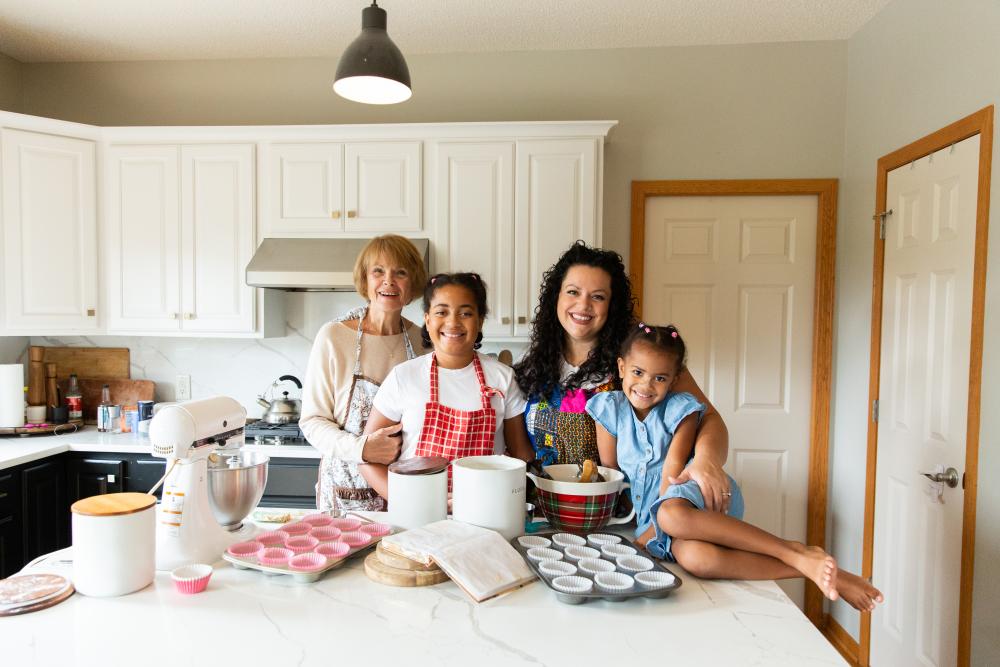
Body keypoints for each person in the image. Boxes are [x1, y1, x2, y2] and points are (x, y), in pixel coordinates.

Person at [586, 324, 884, 611]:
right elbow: (613, 474)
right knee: (697, 559)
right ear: (622, 367)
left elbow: (672, 472)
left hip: (694, 493)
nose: (646, 385)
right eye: (638, 372)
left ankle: (791, 549)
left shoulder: (682, 409)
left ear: (675, 380)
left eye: (660, 378)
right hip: (667, 523)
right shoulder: (608, 410)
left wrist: (645, 537)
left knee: (670, 515)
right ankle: (810, 568)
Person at [514, 241, 733, 512]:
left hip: (626, 515)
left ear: (612, 305)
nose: (583, 305)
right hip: (547, 512)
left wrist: (706, 460)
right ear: (555, 297)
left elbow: (710, 419)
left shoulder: (642, 363)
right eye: (573, 292)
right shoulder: (533, 368)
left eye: (598, 296)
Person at [360, 272, 534, 498]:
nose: (453, 322)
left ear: (480, 320)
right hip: (417, 513)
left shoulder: (503, 378)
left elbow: (520, 457)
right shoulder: (403, 378)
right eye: (442, 312)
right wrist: (406, 501)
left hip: (485, 510)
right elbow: (367, 460)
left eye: (466, 313)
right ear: (428, 319)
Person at [299, 234, 427, 513]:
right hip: (345, 492)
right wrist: (361, 449)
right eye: (378, 271)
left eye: (400, 273)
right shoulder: (333, 337)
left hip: (406, 491)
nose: (388, 281)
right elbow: (311, 421)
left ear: (413, 282)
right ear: (365, 279)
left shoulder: (424, 343)